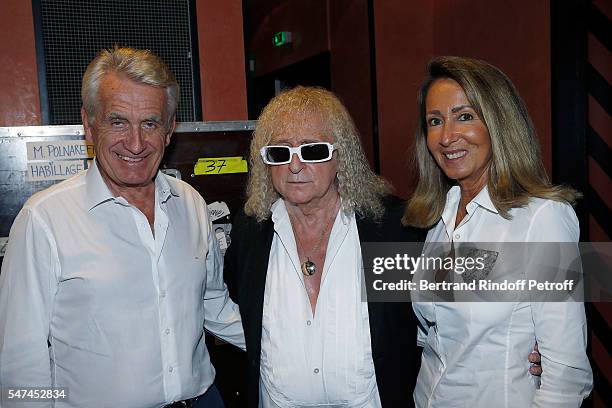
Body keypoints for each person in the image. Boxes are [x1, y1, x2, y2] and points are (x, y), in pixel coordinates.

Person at [0, 47, 244, 407]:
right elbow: (20, 361)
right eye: (117, 122)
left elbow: (212, 304)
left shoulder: (190, 203)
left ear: (169, 129)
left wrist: (289, 347)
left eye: (150, 123)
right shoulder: (44, 220)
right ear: (88, 123)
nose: (135, 143)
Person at [403, 56, 593, 407]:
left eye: (465, 116)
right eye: (434, 121)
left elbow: (566, 374)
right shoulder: (439, 217)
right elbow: (433, 332)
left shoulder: (543, 218)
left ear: (498, 123)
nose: (446, 136)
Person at [224, 86, 423, 407]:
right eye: (280, 152)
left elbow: (451, 311)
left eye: (312, 150)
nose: (294, 165)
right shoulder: (252, 233)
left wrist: (530, 337)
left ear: (340, 155)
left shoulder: (387, 229)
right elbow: (233, 309)